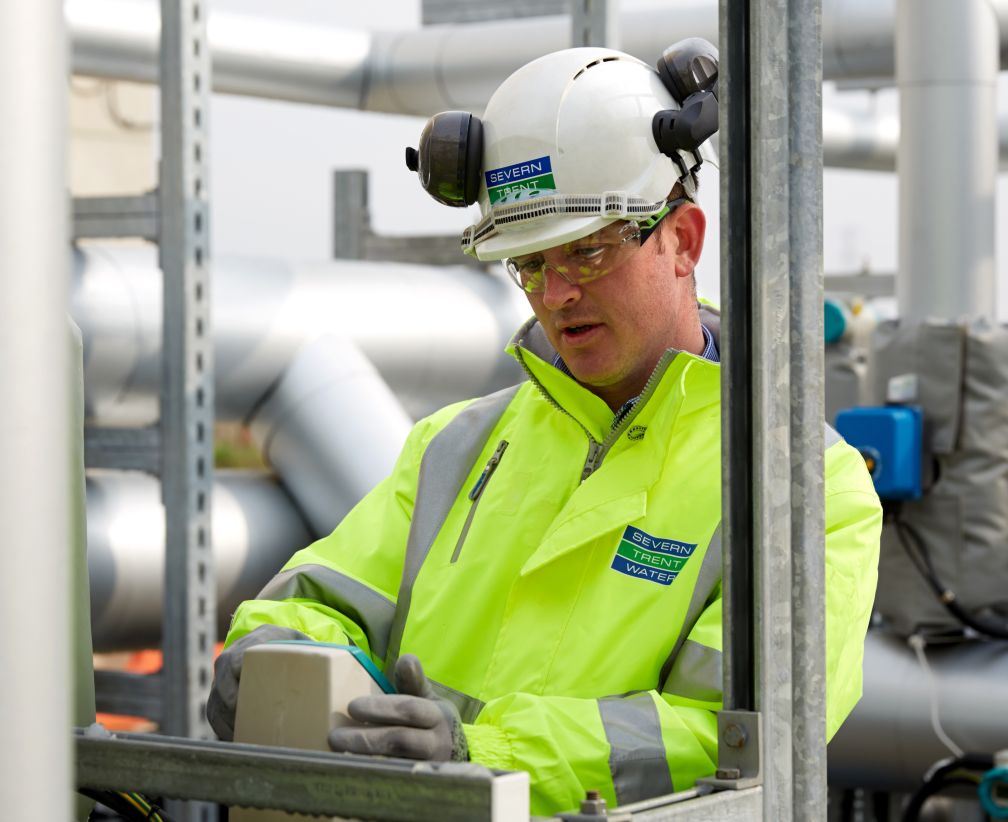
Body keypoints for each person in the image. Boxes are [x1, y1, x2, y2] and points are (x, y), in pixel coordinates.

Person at [206, 45, 882, 816]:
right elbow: (319, 600)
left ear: (683, 240)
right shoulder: (455, 447)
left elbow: (736, 739)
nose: (555, 294)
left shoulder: (802, 484)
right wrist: (271, 658)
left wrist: (482, 757)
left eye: (587, 252)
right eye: (529, 263)